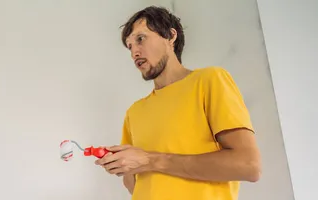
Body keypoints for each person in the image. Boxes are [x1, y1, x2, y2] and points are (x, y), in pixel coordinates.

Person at [94, 6, 262, 200]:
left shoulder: (209, 80)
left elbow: (249, 166)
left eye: (140, 39)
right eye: (130, 46)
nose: (134, 53)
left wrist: (150, 160)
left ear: (171, 36)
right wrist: (121, 163)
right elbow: (135, 184)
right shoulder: (134, 112)